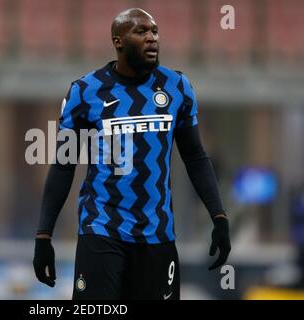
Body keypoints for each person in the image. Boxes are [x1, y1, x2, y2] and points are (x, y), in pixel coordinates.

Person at [33, 8, 231, 300]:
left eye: (154, 31)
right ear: (118, 41)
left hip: (157, 233)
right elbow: (64, 166)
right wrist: (43, 235)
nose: (152, 38)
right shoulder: (86, 91)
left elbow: (195, 157)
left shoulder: (177, 88)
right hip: (101, 229)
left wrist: (219, 217)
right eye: (141, 32)